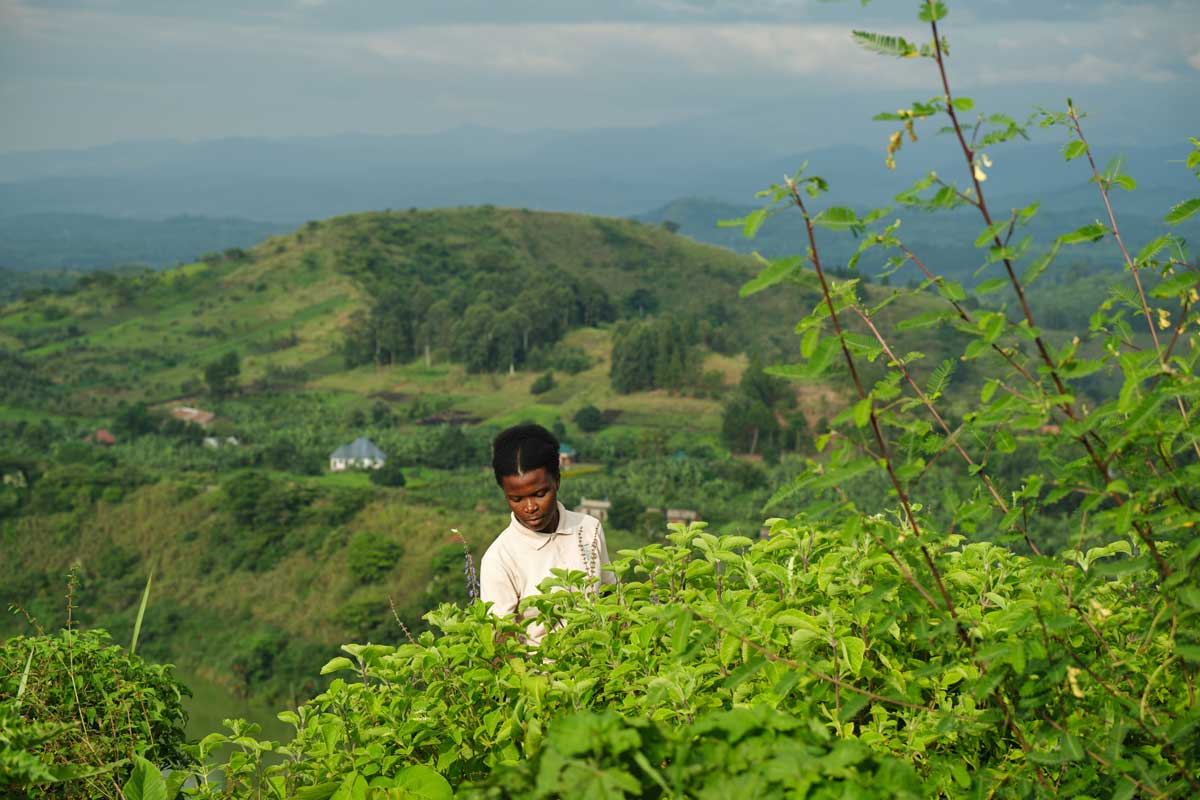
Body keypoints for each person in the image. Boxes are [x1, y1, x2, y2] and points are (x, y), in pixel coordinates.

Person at [479, 423, 615, 644]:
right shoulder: (500, 559)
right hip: (539, 674)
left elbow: (610, 596)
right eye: (517, 499)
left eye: (540, 493)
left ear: (557, 481)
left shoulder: (589, 529)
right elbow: (501, 642)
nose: (530, 507)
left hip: (600, 667)